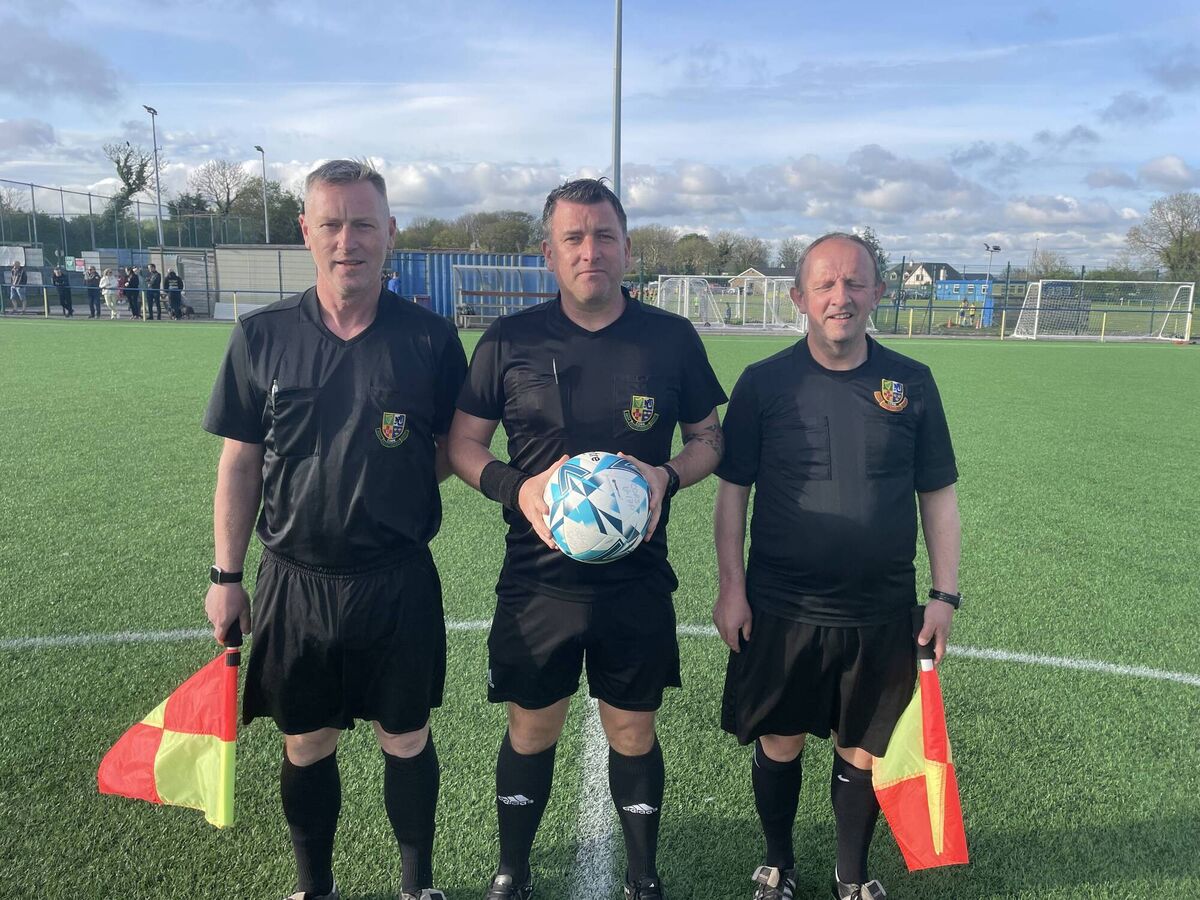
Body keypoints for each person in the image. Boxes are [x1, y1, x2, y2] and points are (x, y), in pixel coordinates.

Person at [449, 178, 727, 900]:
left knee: (633, 732)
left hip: (637, 579)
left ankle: (643, 875)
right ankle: (513, 869)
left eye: (604, 236)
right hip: (537, 580)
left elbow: (709, 439)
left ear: (627, 248)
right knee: (531, 729)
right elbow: (463, 445)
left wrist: (666, 475)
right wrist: (517, 488)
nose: (590, 250)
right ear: (549, 252)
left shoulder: (671, 338)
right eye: (573, 237)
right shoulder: (509, 339)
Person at [202, 159, 466, 900]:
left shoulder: (431, 339)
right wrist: (226, 576)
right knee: (306, 740)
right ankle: (314, 887)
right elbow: (240, 464)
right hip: (295, 579)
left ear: (390, 232)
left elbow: (451, 447)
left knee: (405, 736)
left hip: (396, 577)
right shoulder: (260, 336)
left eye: (363, 224)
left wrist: (389, 482)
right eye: (331, 224)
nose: (347, 240)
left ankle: (418, 886)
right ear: (306, 233)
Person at [713, 233, 961, 900]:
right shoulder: (763, 382)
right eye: (824, 284)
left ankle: (850, 875)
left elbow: (937, 492)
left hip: (880, 608)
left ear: (878, 292)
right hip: (782, 605)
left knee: (864, 748)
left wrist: (944, 595)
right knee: (780, 740)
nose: (840, 297)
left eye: (854, 283)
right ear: (799, 298)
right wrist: (731, 588)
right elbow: (733, 492)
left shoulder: (912, 381)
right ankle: (778, 863)